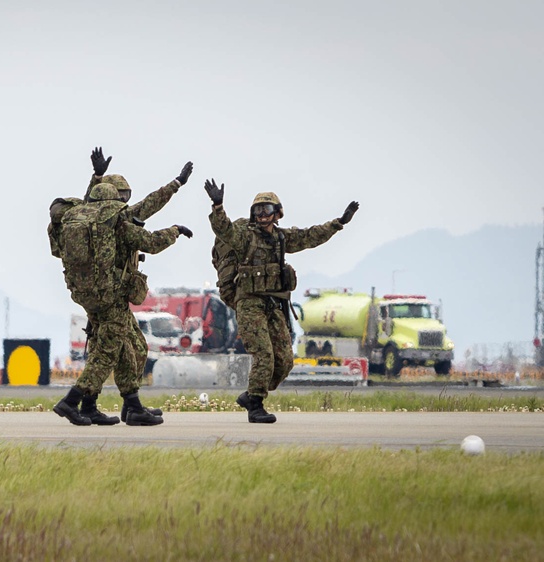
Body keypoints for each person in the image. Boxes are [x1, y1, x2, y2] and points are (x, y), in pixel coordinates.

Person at [48, 148, 191, 424]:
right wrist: (175, 230)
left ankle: (123, 405)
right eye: (122, 195)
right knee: (109, 350)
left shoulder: (79, 217)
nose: (126, 201)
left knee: (134, 346)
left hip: (89, 294)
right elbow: (150, 241)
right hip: (109, 295)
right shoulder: (115, 222)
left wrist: (176, 184)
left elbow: (146, 204)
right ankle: (72, 401)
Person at [205, 178, 358, 423]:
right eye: (257, 210)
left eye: (266, 210)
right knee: (264, 354)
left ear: (277, 213)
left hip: (273, 304)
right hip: (249, 303)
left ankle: (252, 393)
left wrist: (338, 223)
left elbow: (310, 236)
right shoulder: (245, 237)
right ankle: (255, 405)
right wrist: (218, 206)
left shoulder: (281, 239)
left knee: (285, 360)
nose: (262, 215)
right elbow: (225, 230)